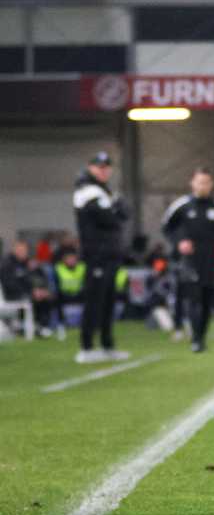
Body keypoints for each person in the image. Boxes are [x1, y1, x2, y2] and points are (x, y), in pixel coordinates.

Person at [161, 168, 214, 353]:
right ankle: (195, 338)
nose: (203, 185)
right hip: (189, 260)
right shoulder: (182, 205)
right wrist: (179, 242)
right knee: (194, 299)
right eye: (199, 182)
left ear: (211, 184)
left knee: (207, 300)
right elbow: (166, 227)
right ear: (192, 183)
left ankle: (201, 336)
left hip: (210, 260)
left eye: (206, 182)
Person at [72, 152, 131, 364]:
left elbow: (125, 213)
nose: (104, 170)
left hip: (111, 254)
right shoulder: (87, 191)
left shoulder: (105, 191)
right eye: (99, 166)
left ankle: (107, 345)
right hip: (96, 255)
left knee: (108, 302)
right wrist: (116, 207)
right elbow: (111, 219)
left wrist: (116, 208)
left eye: (107, 167)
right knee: (94, 301)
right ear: (90, 167)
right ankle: (86, 347)